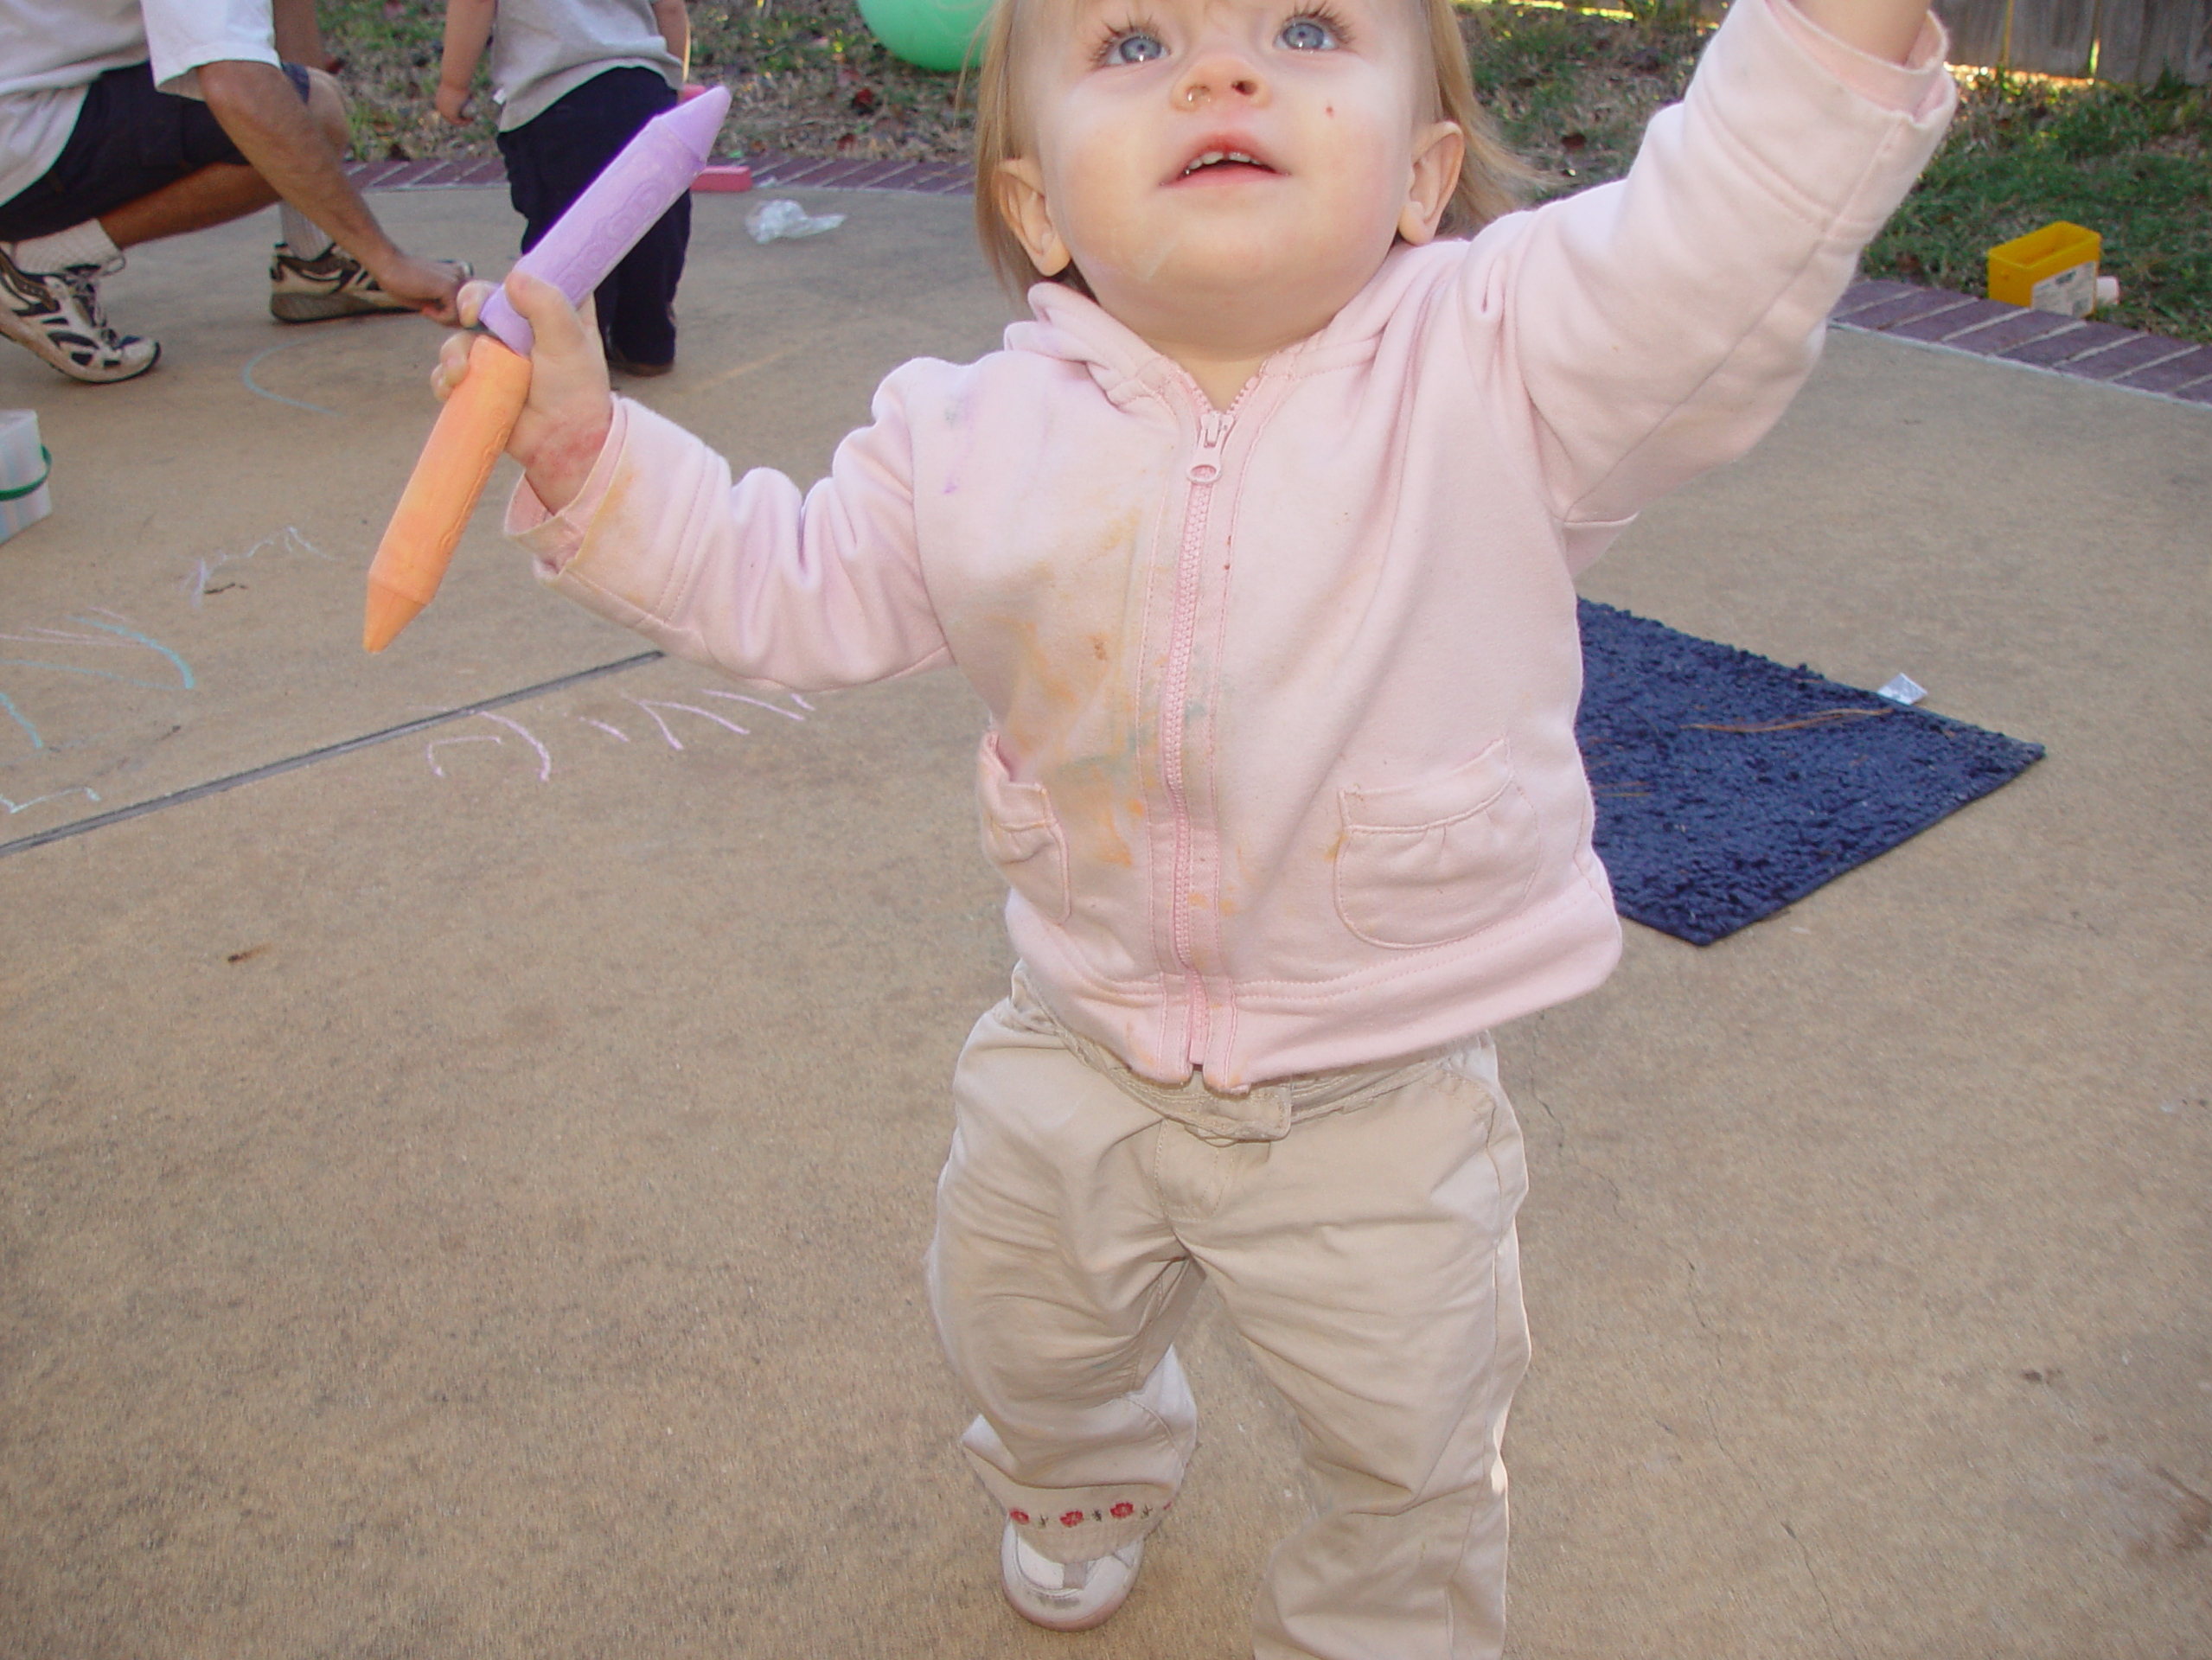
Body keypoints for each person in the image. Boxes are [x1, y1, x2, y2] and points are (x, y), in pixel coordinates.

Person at [436, 0, 1953, 1650]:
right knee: (1019, 1332)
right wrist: (587, 454)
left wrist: (1836, 33)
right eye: (1135, 43)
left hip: (1381, 1093)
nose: (1225, 71)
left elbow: (1714, 242)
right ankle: (1083, 1472)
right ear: (1036, 207)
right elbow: (780, 580)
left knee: (1411, 1443)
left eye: (1308, 28)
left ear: (1422, 172)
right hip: (1073, 1036)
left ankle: (1386, 1626)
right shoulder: (965, 435)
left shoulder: (1509, 369)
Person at [0, 0, 466, 384]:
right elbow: (237, 86)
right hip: (21, 142)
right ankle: (41, 266)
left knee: (292, 96)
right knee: (312, 114)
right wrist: (386, 260)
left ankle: (318, 260)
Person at [436, 0, 693, 376]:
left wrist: (453, 83)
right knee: (653, 220)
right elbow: (669, 7)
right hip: (643, 87)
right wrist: (673, 86)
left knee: (568, 234)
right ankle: (646, 341)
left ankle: (565, 351)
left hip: (554, 99)